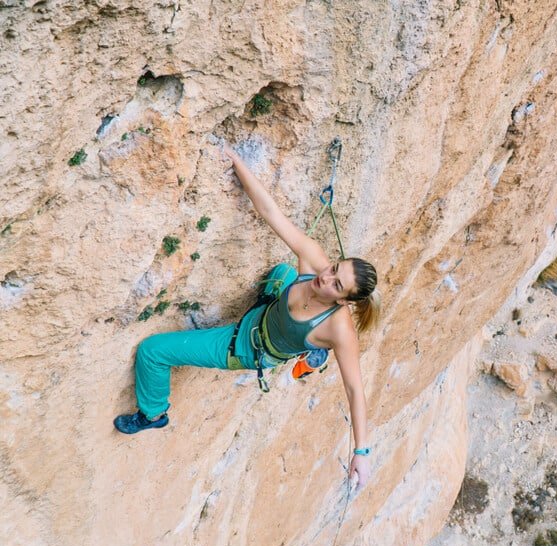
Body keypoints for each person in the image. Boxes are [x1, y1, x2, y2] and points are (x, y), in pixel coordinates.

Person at [114, 145, 380, 487]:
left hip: (247, 346)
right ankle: (297, 332)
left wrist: (362, 451)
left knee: (153, 351)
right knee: (286, 269)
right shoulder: (315, 263)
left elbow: (355, 388)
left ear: (344, 301)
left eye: (336, 284)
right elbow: (272, 214)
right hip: (269, 314)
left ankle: (153, 414)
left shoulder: (339, 328)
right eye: (334, 268)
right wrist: (238, 163)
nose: (325, 277)